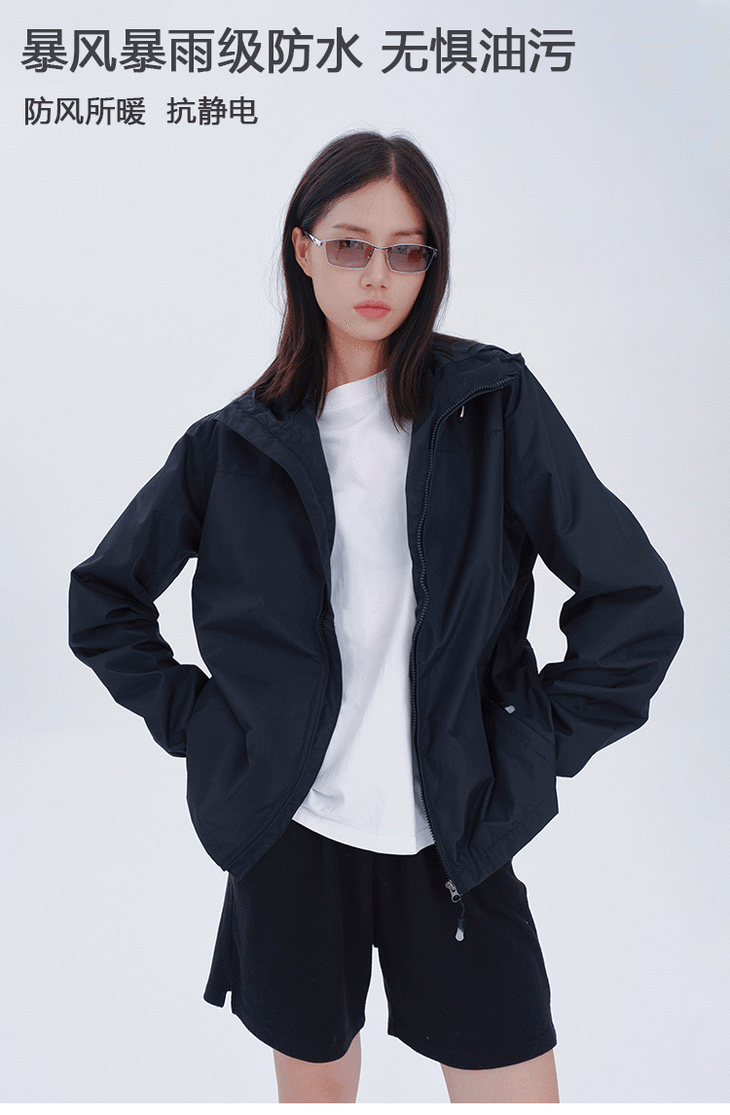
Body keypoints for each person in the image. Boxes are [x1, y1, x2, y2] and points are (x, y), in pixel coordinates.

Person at [68, 131, 683, 1103]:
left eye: (407, 251)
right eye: (350, 244)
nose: (377, 275)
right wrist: (210, 726)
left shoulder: (492, 407)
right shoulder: (231, 448)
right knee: (316, 1093)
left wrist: (533, 742)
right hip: (294, 834)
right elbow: (105, 599)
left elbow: (635, 601)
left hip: (456, 831)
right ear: (302, 248)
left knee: (515, 1083)